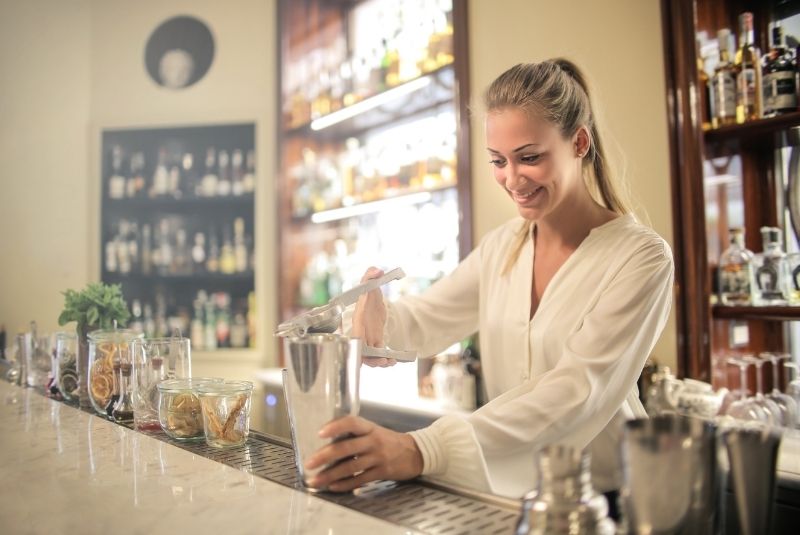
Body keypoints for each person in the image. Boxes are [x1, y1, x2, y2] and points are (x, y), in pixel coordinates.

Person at [303, 59, 674, 500]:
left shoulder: (640, 257)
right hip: (511, 497)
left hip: (606, 499)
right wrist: (372, 323)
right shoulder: (504, 246)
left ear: (579, 142)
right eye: (498, 161)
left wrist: (422, 448)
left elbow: (578, 390)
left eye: (530, 158)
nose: (512, 179)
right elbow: (427, 317)